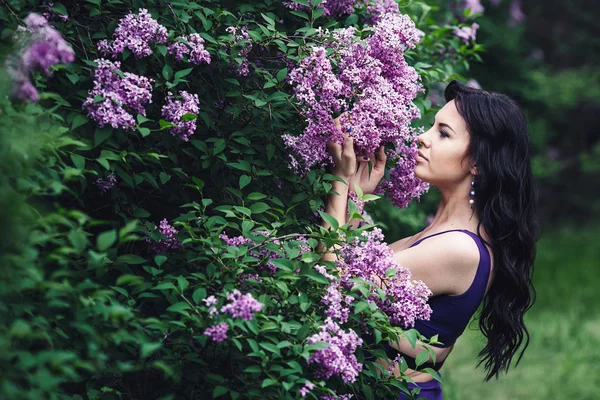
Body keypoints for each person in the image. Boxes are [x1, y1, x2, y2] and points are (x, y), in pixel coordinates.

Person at [320, 80, 538, 399]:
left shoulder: (459, 248)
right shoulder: (443, 233)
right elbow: (349, 268)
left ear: (477, 162)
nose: (423, 137)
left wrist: (340, 179)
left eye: (443, 133)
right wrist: (356, 197)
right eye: (432, 126)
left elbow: (331, 285)